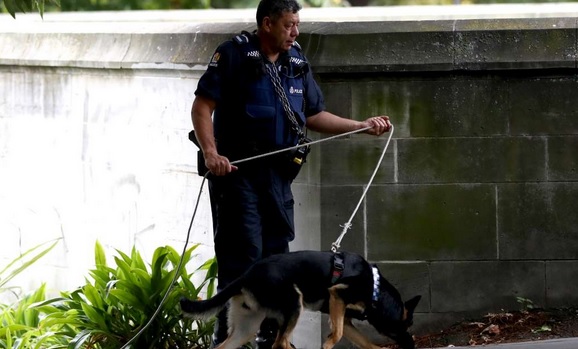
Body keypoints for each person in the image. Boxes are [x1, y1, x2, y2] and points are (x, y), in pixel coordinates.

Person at [190, 0, 392, 347]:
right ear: (267, 24)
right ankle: (228, 341)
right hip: (239, 176)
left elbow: (314, 115)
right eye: (288, 25)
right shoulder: (235, 55)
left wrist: (361, 126)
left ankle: (272, 339)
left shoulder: (296, 62)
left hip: (279, 180)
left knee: (277, 263)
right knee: (243, 259)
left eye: (297, 24)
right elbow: (202, 107)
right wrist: (212, 153)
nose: (295, 32)